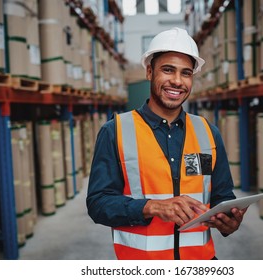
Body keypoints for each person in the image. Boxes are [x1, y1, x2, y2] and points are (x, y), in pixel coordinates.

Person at [86, 27, 246, 260]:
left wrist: (228, 220)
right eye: (168, 70)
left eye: (186, 73)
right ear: (150, 72)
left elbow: (223, 196)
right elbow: (98, 204)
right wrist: (152, 207)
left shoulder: (208, 133)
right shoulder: (115, 131)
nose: (177, 81)